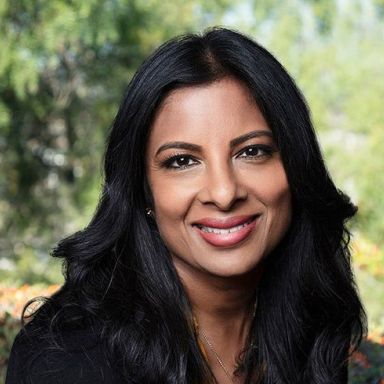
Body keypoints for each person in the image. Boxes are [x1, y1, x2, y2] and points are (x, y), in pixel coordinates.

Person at [6, 27, 366, 384]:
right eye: (182, 161)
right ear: (144, 190)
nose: (224, 193)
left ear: (296, 167)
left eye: (252, 151)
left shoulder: (311, 324)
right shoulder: (70, 361)